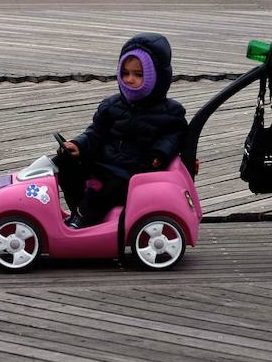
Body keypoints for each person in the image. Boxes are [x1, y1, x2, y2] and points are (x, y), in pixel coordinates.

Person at [54, 33, 187, 228]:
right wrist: (79, 145)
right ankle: (79, 209)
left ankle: (85, 216)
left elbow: (175, 136)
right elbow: (96, 132)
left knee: (112, 186)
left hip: (134, 172)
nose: (130, 79)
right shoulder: (112, 105)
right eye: (125, 73)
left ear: (156, 76)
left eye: (138, 74)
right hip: (105, 162)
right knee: (63, 163)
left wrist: (160, 152)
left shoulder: (170, 112)